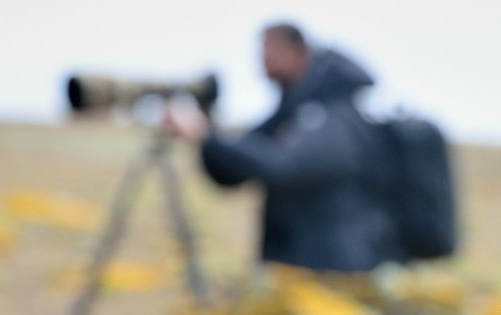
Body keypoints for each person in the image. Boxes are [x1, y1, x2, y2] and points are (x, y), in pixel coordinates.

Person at [165, 23, 406, 272]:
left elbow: (280, 166)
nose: (262, 60)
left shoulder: (333, 115)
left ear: (295, 51)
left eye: (268, 50)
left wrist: (201, 131)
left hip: (335, 272)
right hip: (296, 266)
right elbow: (233, 170)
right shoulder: (292, 111)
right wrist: (207, 126)